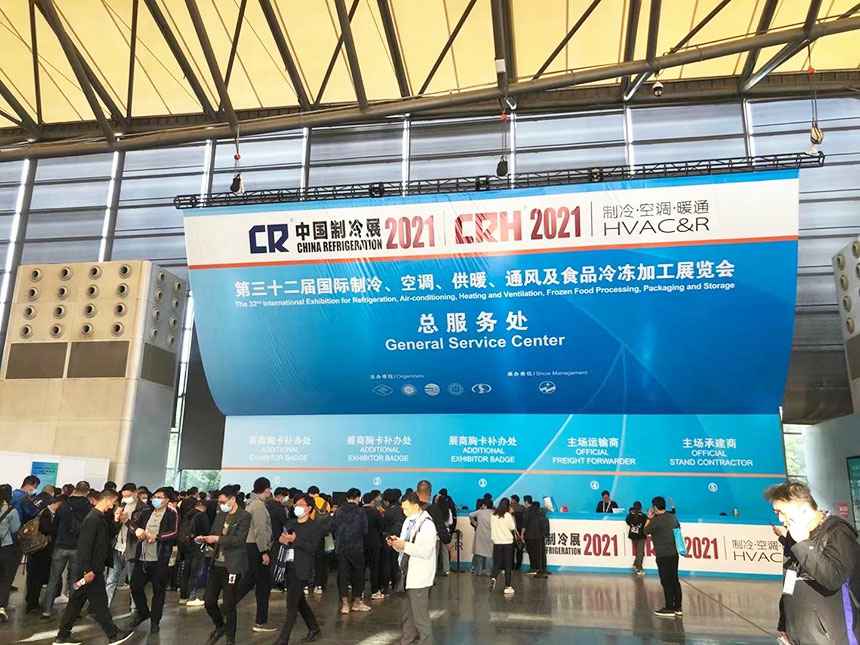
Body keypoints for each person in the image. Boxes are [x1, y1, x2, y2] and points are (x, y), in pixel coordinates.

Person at [765, 480, 860, 644]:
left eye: (782, 512)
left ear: (803, 509)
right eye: (776, 513)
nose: (780, 518)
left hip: (832, 636)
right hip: (799, 634)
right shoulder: (794, 535)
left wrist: (803, 543)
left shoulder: (838, 532)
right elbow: (791, 580)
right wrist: (785, 624)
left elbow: (833, 578)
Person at [52, 489, 134, 645]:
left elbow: (108, 534)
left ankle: (62, 636)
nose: (113, 506)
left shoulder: (99, 518)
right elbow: (84, 546)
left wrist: (117, 520)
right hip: (90, 571)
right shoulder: (92, 519)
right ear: (107, 500)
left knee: (76, 601)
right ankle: (113, 634)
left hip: (91, 570)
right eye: (113, 502)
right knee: (100, 603)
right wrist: (87, 570)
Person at [273, 494, 330, 644]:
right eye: (296, 505)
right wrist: (282, 540)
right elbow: (281, 540)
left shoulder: (315, 526)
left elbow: (312, 548)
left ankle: (283, 639)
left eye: (301, 505)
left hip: (302, 568)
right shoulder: (290, 523)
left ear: (309, 508)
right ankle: (314, 628)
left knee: (291, 604)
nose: (297, 507)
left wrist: (295, 540)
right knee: (299, 601)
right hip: (288, 566)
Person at [199, 486, 251, 645]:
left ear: (233, 499)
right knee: (209, 601)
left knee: (229, 603)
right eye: (219, 502)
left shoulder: (244, 516)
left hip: (232, 565)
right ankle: (220, 626)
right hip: (216, 563)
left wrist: (218, 539)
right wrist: (205, 539)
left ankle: (230, 638)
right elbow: (214, 533)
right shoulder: (220, 514)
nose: (221, 505)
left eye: (223, 502)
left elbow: (239, 540)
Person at [388, 491, 437, 645]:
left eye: (406, 508)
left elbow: (425, 551)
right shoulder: (408, 521)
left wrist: (404, 545)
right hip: (406, 574)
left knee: (420, 617)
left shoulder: (427, 524)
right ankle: (407, 640)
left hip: (419, 577)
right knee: (407, 614)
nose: (404, 512)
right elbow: (405, 544)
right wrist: (396, 543)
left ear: (416, 506)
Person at [129, 486, 178, 635]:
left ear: (167, 500)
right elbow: (134, 525)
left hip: (160, 559)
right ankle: (143, 612)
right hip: (142, 557)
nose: (156, 499)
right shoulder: (146, 512)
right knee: (135, 586)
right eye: (155, 497)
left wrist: (157, 537)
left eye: (160, 497)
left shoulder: (172, 514)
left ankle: (155, 621)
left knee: (158, 591)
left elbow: (174, 533)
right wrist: (136, 530)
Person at [43, 480, 91, 618]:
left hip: (61, 545)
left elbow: (55, 525)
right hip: (78, 548)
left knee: (53, 579)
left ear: (75, 489)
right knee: (75, 581)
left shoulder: (64, 504)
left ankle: (47, 611)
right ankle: (72, 611)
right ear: (87, 492)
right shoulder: (88, 507)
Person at [234, 477, 275, 633]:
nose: (270, 492)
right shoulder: (258, 506)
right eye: (269, 489)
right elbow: (260, 530)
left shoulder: (251, 503)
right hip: (257, 547)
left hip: (252, 547)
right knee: (263, 585)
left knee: (249, 581)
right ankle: (261, 622)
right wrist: (264, 551)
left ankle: (227, 606)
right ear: (265, 489)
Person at [332, 487, 370, 614]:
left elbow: (333, 527)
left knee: (343, 575)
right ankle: (356, 603)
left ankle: (345, 605)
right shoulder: (360, 511)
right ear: (358, 497)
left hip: (341, 547)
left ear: (347, 497)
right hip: (356, 547)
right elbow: (365, 530)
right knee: (358, 575)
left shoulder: (338, 511)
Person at [643, 496, 682, 618]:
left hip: (663, 555)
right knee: (674, 580)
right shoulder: (673, 517)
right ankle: (678, 608)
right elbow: (678, 530)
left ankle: (669, 608)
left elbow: (645, 531)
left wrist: (649, 518)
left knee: (666, 581)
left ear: (654, 507)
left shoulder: (656, 520)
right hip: (674, 554)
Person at [25, 495, 63, 614]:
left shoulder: (45, 512)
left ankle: (32, 602)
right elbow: (46, 529)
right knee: (36, 578)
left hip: (40, 551)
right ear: (58, 503)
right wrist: (57, 528)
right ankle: (32, 604)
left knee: (36, 578)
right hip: (40, 551)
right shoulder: (45, 513)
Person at [106, 483, 137, 607]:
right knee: (111, 578)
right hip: (118, 546)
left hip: (131, 548)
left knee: (132, 580)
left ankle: (135, 607)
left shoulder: (142, 509)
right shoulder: (121, 506)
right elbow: (113, 528)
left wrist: (127, 521)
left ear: (135, 493)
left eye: (128, 496)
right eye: (124, 496)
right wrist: (116, 518)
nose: (126, 498)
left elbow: (139, 530)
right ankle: (106, 604)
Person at [179, 493, 211, 607]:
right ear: (204, 507)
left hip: (186, 545)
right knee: (195, 571)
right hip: (198, 546)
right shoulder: (202, 516)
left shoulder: (188, 514)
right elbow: (206, 531)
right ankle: (192, 597)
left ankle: (183, 597)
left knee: (186, 571)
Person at [0, 485, 21, 623]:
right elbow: (15, 529)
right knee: (5, 579)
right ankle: (1, 607)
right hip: (5, 548)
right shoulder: (12, 511)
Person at [489, 497, 516, 595]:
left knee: (497, 563)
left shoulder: (493, 515)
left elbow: (492, 527)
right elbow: (512, 527)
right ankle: (507, 586)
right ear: (508, 506)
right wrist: (512, 514)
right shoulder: (508, 515)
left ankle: (493, 578)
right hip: (507, 543)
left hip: (497, 543)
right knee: (508, 565)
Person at [380, 489, 405, 595]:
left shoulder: (387, 512)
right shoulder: (402, 510)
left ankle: (385, 587)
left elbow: (382, 527)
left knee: (386, 563)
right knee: (396, 563)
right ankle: (397, 585)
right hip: (400, 539)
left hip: (388, 539)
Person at [363, 491, 385, 600]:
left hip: (361, 543)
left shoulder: (359, 511)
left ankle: (360, 592)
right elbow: (382, 527)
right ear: (372, 501)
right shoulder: (376, 512)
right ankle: (375, 591)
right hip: (374, 543)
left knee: (360, 569)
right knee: (374, 568)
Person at [523, 499, 547, 577]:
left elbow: (524, 525)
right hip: (540, 537)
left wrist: (522, 535)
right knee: (540, 554)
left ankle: (533, 568)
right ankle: (542, 569)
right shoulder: (542, 512)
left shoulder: (528, 512)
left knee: (532, 553)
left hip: (530, 537)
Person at [469, 500, 493, 576]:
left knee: (479, 554)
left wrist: (474, 523)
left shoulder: (480, 512)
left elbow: (470, 515)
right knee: (489, 555)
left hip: (480, 535)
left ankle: (478, 572)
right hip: (490, 536)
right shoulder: (494, 513)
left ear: (485, 505)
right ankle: (488, 572)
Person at [626, 501, 647, 576]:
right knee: (640, 553)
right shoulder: (643, 516)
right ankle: (639, 568)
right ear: (641, 508)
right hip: (641, 536)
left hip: (633, 536)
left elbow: (627, 522)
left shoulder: (629, 515)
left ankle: (635, 565)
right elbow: (647, 523)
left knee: (639, 553)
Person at [510, 495, 526, 570]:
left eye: (511, 499)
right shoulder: (522, 507)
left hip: (512, 531)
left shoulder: (509, 507)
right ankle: (518, 565)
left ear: (513, 500)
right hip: (520, 530)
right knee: (519, 549)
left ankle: (511, 565)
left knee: (511, 550)